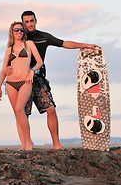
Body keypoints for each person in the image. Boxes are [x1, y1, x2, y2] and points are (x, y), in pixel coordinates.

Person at [8, 10, 99, 150]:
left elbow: (64, 43)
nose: (29, 24)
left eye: (31, 21)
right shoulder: (18, 38)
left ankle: (56, 144)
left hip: (38, 78)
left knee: (50, 109)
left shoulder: (44, 37)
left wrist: (85, 45)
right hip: (21, 80)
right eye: (26, 22)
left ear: (35, 21)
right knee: (20, 113)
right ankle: (26, 144)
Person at [0, 21, 43, 151]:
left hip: (25, 81)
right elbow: (3, 70)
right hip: (10, 83)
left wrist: (32, 72)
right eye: (16, 30)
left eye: (22, 30)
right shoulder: (9, 50)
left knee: (19, 109)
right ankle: (23, 144)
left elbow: (39, 62)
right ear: (12, 32)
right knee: (17, 113)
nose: (19, 32)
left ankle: (29, 142)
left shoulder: (29, 44)